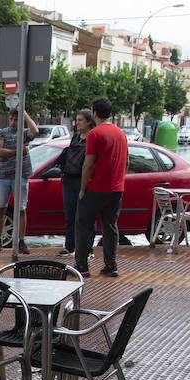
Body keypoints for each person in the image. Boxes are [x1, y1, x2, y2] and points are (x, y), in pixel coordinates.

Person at [75, 97, 128, 277]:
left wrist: (83, 188)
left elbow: (88, 164)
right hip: (116, 188)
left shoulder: (95, 134)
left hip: (96, 188)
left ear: (95, 113)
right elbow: (126, 162)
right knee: (110, 226)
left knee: (83, 224)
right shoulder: (121, 134)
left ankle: (82, 266)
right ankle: (111, 265)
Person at [0, 109, 37, 252]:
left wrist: (24, 112)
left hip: (20, 175)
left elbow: (34, 131)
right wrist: (19, 151)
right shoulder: (2, 132)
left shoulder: (24, 133)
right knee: (0, 208)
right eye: (11, 118)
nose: (13, 122)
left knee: (21, 209)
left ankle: (21, 241)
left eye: (16, 119)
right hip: (3, 176)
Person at [55, 109, 93, 257]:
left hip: (82, 179)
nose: (77, 123)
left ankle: (87, 248)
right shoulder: (75, 137)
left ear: (89, 121)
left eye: (80, 120)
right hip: (69, 179)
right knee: (70, 214)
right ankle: (70, 245)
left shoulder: (92, 138)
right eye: (76, 120)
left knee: (84, 216)